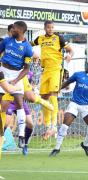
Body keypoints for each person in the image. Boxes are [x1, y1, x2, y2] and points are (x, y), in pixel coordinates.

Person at [49, 60, 88, 157]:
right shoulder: (78, 75)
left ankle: (85, 145)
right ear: (86, 66)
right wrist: (58, 89)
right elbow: (67, 82)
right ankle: (56, 148)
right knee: (64, 126)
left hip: (86, 106)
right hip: (74, 103)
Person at [32, 20, 73, 139]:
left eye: (52, 27)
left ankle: (54, 125)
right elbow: (29, 44)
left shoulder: (59, 38)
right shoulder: (40, 38)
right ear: (45, 28)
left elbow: (70, 50)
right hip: (45, 70)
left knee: (53, 95)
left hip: (56, 69)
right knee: (43, 98)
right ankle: (48, 125)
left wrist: (70, 55)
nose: (51, 29)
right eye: (49, 27)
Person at [0, 21, 33, 149]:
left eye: (13, 28)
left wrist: (15, 81)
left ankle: (21, 135)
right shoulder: (7, 41)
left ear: (20, 30)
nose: (11, 29)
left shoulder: (28, 48)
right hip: (3, 71)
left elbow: (26, 69)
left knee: (19, 101)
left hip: (17, 75)